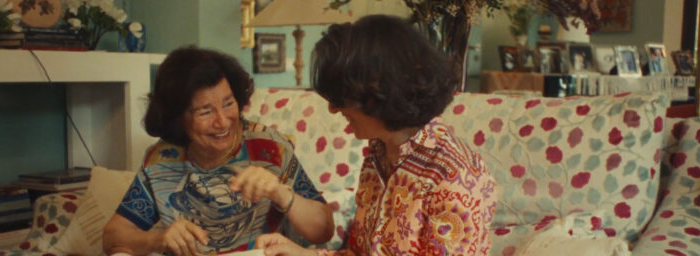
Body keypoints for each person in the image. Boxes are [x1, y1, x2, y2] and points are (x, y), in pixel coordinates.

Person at [255, 15, 497, 256]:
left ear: (380, 92)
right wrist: (301, 254)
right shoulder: (379, 152)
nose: (333, 109)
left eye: (341, 97)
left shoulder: (454, 175)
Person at [102, 46, 334, 256]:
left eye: (228, 103)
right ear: (179, 118)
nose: (223, 122)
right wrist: (158, 239)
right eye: (205, 112)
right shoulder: (163, 160)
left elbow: (323, 231)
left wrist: (281, 193)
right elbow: (113, 236)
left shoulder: (268, 148)